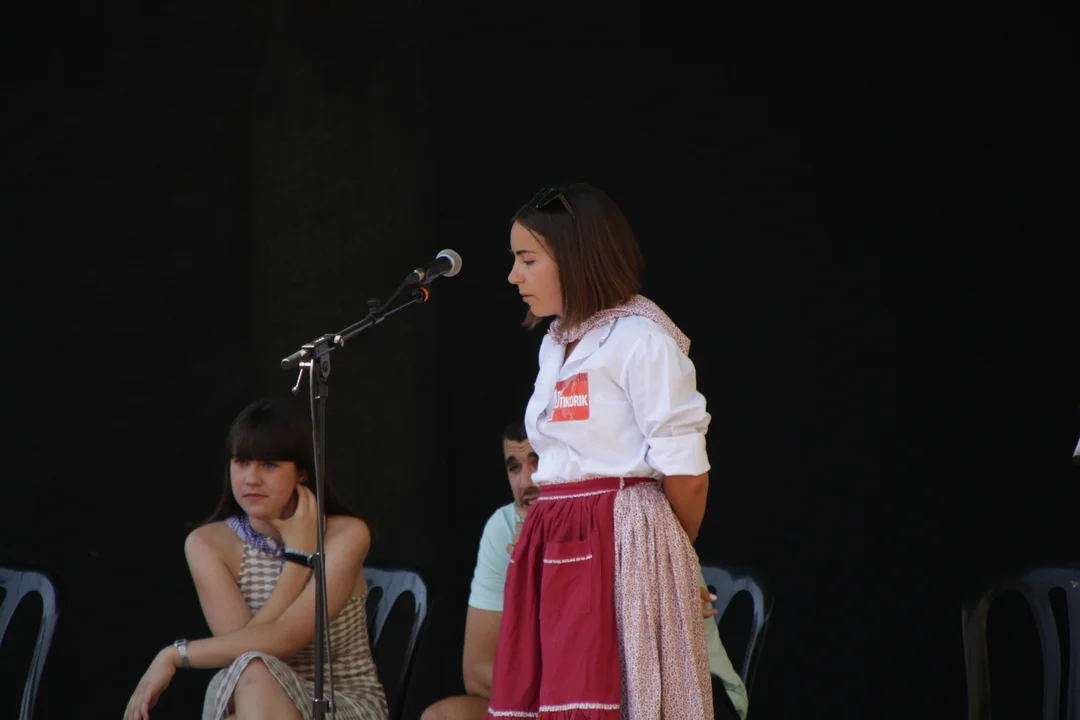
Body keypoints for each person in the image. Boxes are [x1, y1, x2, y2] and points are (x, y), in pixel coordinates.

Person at [487, 183, 723, 719]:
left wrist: (669, 562)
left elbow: (688, 474)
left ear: (576, 256)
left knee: (618, 692)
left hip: (622, 538)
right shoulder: (554, 344)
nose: (514, 276)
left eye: (528, 259)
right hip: (559, 535)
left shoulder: (641, 339)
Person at [423, 424, 749, 720]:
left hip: (669, 697)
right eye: (514, 467)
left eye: (539, 461)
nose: (527, 482)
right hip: (558, 698)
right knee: (444, 716)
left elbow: (634, 669)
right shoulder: (504, 527)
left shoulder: (623, 512)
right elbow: (477, 672)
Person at [123, 397, 388, 720]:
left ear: (302, 472)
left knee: (255, 674)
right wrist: (297, 560)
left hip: (338, 701)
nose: (251, 478)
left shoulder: (345, 535)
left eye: (269, 465)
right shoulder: (208, 544)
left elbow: (286, 639)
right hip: (254, 689)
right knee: (255, 669)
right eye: (241, 462)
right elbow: (246, 652)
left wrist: (175, 655)